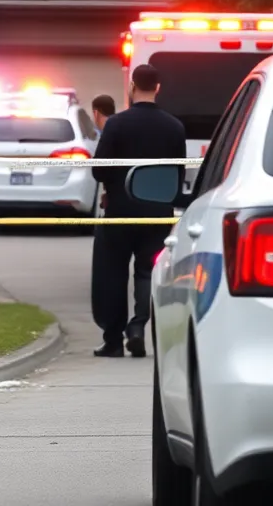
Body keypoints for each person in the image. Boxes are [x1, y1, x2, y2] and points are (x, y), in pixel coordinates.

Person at [90, 65, 185, 358]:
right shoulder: (174, 127)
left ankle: (113, 340)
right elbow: (178, 174)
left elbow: (97, 170)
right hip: (157, 212)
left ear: (132, 86)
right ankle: (138, 327)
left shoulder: (117, 125)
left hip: (120, 210)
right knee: (147, 271)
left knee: (113, 273)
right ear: (158, 87)